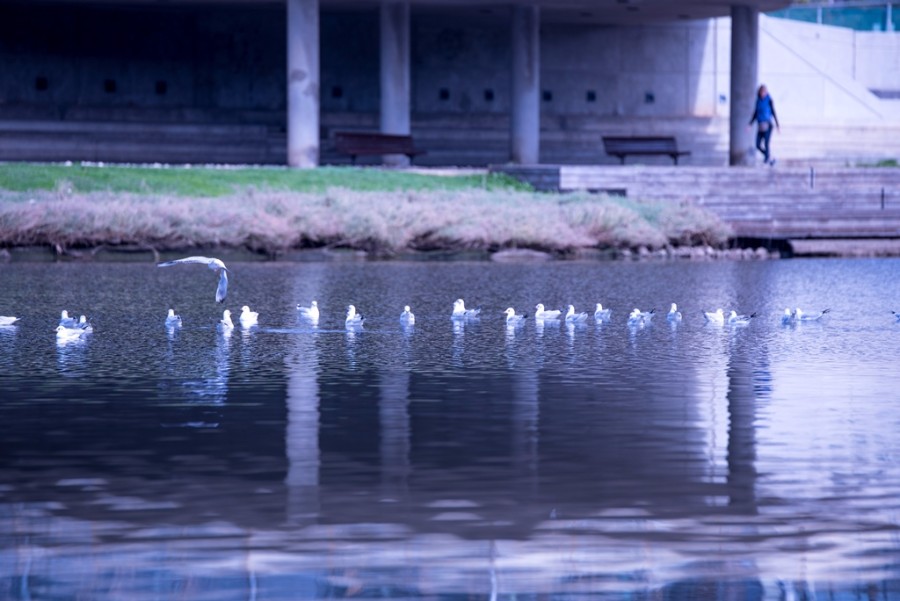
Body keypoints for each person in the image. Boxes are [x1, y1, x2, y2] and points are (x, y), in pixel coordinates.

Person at [749, 84, 780, 166]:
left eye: (764, 92)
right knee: (757, 144)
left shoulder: (769, 100)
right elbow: (755, 113)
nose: (763, 94)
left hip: (768, 125)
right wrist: (750, 124)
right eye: (762, 92)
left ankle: (767, 159)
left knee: (766, 143)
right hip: (760, 126)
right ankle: (768, 156)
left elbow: (773, 112)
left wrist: (777, 125)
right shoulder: (758, 101)